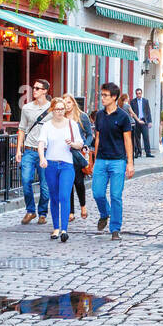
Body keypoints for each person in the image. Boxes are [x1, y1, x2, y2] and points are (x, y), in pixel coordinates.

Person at [37, 97, 85, 243]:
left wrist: (73, 144)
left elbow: (80, 144)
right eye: (57, 109)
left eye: (62, 109)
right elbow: (41, 143)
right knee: (54, 197)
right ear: (52, 109)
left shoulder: (72, 124)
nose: (59, 112)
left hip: (67, 165)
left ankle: (64, 229)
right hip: (51, 165)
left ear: (65, 109)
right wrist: (42, 158)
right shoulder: (47, 126)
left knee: (64, 195)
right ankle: (56, 228)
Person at [92, 83, 134, 240]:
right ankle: (105, 213)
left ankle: (115, 228)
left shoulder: (123, 116)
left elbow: (128, 140)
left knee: (116, 195)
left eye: (105, 95)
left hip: (118, 161)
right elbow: (97, 138)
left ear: (114, 97)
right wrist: (95, 160)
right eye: (101, 95)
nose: (102, 98)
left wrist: (130, 163)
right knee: (97, 193)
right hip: (101, 160)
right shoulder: (100, 116)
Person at [16, 79, 53, 226]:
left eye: (38, 88)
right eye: (34, 88)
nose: (35, 90)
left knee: (45, 185)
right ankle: (30, 210)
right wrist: (19, 149)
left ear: (45, 91)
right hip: (30, 150)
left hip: (46, 151)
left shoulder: (52, 108)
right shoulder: (27, 108)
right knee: (26, 180)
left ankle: (42, 212)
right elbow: (22, 129)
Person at [63, 95, 93, 220]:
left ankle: (83, 206)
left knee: (79, 182)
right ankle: (71, 212)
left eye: (69, 102)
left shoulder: (82, 116)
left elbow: (90, 134)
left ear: (74, 103)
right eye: (65, 103)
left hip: (78, 153)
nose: (67, 105)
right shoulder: (61, 118)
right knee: (68, 182)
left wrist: (85, 145)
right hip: (65, 153)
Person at [132, 88, 154, 158]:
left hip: (144, 121)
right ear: (136, 94)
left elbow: (148, 112)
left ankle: (148, 153)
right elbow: (132, 112)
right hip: (136, 121)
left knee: (146, 137)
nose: (138, 95)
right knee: (137, 138)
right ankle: (138, 152)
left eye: (139, 93)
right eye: (137, 93)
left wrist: (150, 121)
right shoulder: (132, 102)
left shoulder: (145, 101)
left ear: (141, 93)